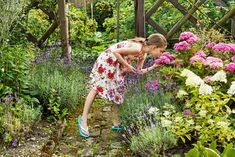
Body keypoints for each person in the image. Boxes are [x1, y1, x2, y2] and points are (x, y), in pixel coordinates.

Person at [78, 33, 167, 138]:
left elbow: (138, 72)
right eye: (161, 51)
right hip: (108, 60)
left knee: (117, 93)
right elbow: (115, 52)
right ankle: (83, 120)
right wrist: (127, 65)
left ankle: (116, 123)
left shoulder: (143, 54)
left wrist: (153, 66)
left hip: (118, 64)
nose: (161, 54)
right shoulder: (137, 48)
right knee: (96, 89)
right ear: (154, 47)